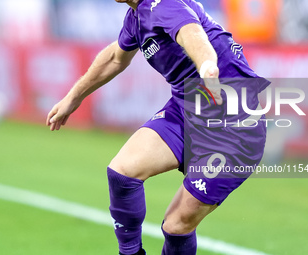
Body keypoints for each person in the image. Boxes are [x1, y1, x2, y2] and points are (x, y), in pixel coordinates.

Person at [46, 0, 270, 254]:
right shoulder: (135, 18)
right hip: (187, 109)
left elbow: (192, 34)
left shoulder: (164, 4)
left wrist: (207, 66)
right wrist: (73, 97)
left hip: (233, 125)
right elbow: (114, 58)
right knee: (122, 172)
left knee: (176, 226)